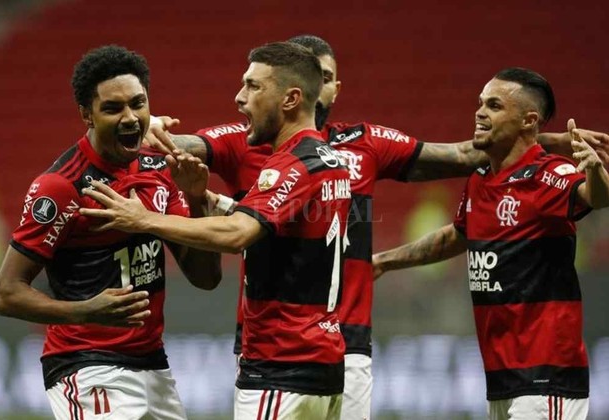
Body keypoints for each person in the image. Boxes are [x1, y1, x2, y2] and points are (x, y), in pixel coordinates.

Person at [145, 35, 609, 420]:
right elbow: (183, 149)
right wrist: (151, 130)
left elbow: (464, 153)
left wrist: (540, 139)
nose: (319, 86)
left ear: (331, 87)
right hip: (269, 341)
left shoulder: (365, 143)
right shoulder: (244, 141)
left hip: (346, 344)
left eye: (326, 76)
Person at [80, 41, 352, 420]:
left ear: (290, 99)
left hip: (283, 363)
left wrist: (144, 219)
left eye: (253, 86)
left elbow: (238, 234)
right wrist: (201, 197)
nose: (240, 97)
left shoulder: (293, 164)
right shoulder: (331, 160)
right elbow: (276, 227)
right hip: (322, 361)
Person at [0, 45, 222, 420]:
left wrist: (196, 201)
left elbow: (206, 277)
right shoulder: (61, 187)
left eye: (138, 103)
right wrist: (85, 311)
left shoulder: (159, 169)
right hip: (87, 366)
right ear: (87, 114)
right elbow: (6, 294)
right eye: (113, 108)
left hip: (153, 364)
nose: (130, 118)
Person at [372, 68, 609, 420]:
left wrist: (595, 170)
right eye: (481, 103)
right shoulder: (481, 178)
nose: (480, 113)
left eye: (494, 106)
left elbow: (596, 197)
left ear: (529, 121)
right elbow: (457, 236)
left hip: (547, 376)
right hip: (502, 378)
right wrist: (384, 261)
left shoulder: (547, 173)